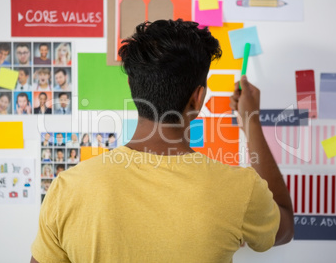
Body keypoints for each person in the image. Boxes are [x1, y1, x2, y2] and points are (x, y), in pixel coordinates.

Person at [31, 19, 293, 263]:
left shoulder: (67, 188)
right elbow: (285, 225)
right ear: (198, 98)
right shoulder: (240, 189)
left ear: (134, 88)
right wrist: (251, 121)